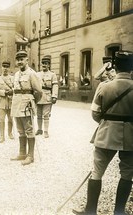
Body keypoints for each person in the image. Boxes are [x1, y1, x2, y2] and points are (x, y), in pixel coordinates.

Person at [72, 50, 133, 215]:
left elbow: (95, 113)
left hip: (106, 134)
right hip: (130, 137)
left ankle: (90, 210)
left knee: (97, 171)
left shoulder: (104, 86)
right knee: (127, 173)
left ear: (115, 66)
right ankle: (119, 211)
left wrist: (107, 123)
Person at [10, 50, 42, 165]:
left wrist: (32, 102)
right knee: (20, 130)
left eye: (21, 60)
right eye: (18, 60)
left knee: (28, 130)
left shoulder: (32, 73)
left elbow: (38, 91)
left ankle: (30, 156)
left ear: (27, 60)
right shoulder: (17, 74)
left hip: (26, 104)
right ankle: (22, 153)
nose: (19, 62)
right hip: (16, 104)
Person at [35, 56, 59, 138]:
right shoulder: (37, 74)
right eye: (43, 63)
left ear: (49, 65)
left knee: (46, 115)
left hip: (47, 96)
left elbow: (55, 86)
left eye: (46, 64)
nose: (44, 65)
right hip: (38, 96)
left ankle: (45, 131)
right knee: (38, 114)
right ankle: (39, 129)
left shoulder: (52, 75)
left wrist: (54, 96)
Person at [0, 60, 14, 143]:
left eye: (7, 67)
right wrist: (4, 92)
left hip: (10, 101)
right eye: (4, 67)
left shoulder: (12, 78)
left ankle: (10, 133)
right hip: (1, 101)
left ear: (9, 68)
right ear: (1, 68)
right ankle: (2, 136)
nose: (5, 69)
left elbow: (16, 87)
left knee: (10, 119)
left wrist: (11, 91)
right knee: (1, 119)